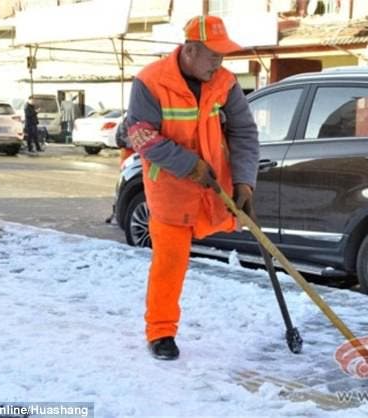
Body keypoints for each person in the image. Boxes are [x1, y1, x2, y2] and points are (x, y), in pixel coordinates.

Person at [126, 15, 259, 360]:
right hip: (170, 189)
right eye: (214, 55)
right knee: (170, 263)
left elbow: (245, 132)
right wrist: (190, 165)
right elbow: (142, 137)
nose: (220, 62)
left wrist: (245, 183)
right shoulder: (150, 82)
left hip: (214, 186)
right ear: (190, 50)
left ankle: (162, 329)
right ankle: (161, 332)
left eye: (223, 56)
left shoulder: (225, 82)